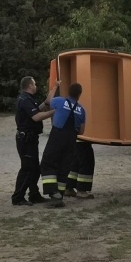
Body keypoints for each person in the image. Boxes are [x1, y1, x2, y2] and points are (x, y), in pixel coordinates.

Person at [40, 83, 86, 208]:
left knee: (47, 163)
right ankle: (59, 196)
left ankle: (53, 193)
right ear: (79, 95)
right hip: (71, 140)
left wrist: (54, 87)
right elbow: (81, 132)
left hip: (57, 136)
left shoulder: (60, 101)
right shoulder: (82, 110)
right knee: (64, 166)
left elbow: (48, 101)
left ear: (68, 92)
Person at [12, 76, 56, 207]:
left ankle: (34, 194)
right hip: (26, 139)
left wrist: (55, 87)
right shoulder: (25, 100)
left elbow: (44, 105)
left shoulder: (28, 99)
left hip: (30, 138)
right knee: (27, 168)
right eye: (35, 84)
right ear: (30, 86)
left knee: (35, 169)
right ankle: (18, 197)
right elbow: (36, 117)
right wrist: (55, 111)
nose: (36, 86)